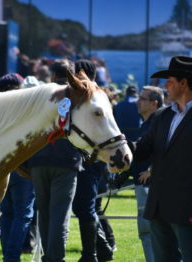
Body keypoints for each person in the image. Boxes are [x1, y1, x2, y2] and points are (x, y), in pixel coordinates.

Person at [134, 56, 192, 262]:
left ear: (184, 84)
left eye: (170, 81)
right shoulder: (162, 116)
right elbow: (142, 149)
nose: (165, 85)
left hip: (187, 209)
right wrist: (116, 147)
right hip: (159, 207)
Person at [26, 59, 82, 262]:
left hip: (39, 159)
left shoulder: (41, 96)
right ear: (73, 75)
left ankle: (48, 256)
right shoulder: (77, 96)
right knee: (60, 214)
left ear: (52, 75)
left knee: (45, 212)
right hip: (67, 160)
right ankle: (55, 258)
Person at [72, 59, 114, 262]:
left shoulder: (92, 97)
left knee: (85, 207)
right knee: (84, 207)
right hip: (93, 160)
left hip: (89, 160)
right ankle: (102, 248)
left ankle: (94, 252)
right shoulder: (101, 95)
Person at [121, 86, 164, 262]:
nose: (138, 101)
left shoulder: (159, 123)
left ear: (154, 104)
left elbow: (169, 150)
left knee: (150, 232)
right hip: (142, 185)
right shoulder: (145, 124)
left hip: (152, 186)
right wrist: (123, 175)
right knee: (146, 232)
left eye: (143, 99)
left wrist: (151, 170)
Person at [0, 73, 36, 262]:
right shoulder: (23, 109)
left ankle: (8, 255)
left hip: (1, 169)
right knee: (24, 214)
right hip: (21, 168)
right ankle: (11, 257)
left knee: (8, 214)